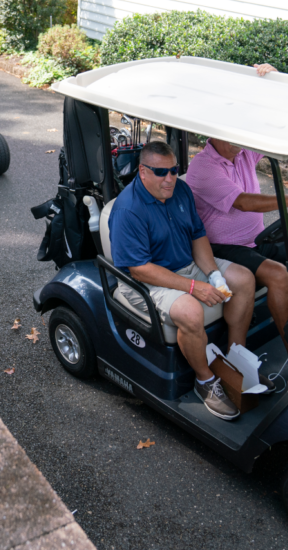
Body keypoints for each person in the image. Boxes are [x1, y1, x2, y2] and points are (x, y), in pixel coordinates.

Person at [110, 141, 256, 421]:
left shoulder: (181, 192)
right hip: (145, 282)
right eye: (160, 172)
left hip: (185, 265)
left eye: (174, 171)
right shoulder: (128, 210)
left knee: (243, 279)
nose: (169, 179)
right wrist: (194, 287)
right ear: (142, 172)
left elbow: (197, 235)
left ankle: (235, 358)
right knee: (190, 311)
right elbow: (140, 270)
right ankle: (205, 381)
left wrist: (213, 274)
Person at [183, 63, 288, 355]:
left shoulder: (240, 150)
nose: (241, 140)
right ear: (215, 135)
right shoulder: (203, 168)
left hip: (256, 241)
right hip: (223, 248)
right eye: (233, 135)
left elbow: (274, 119)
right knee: (279, 274)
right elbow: (243, 201)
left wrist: (271, 82)